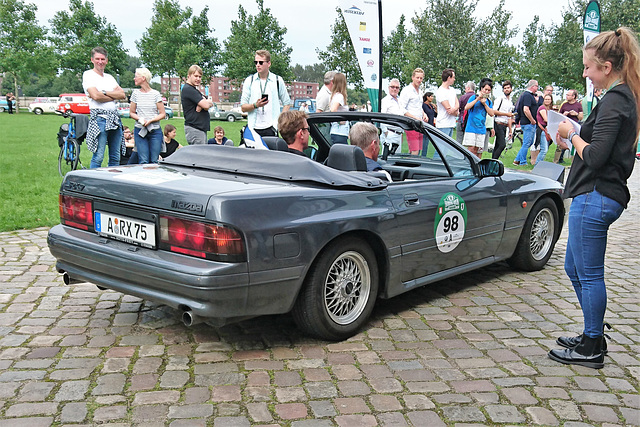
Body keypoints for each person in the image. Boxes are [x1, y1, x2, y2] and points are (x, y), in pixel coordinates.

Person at [548, 27, 640, 370]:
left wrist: (572, 134)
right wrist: (577, 131)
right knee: (574, 267)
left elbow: (597, 156)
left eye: (588, 67)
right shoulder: (619, 97)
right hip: (594, 194)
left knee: (589, 274)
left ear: (606, 67)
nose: (584, 73)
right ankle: (592, 333)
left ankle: (591, 346)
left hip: (597, 195)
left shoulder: (617, 99)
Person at [82, 46, 126, 168]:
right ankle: (94, 182)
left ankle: (112, 181)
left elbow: (122, 94)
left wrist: (105, 93)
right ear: (92, 60)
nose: (100, 62)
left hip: (114, 119)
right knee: (99, 155)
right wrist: (113, 95)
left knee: (115, 156)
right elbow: (95, 96)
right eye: (97, 59)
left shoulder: (109, 78)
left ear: (106, 61)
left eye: (102, 59)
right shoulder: (88, 75)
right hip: (100, 119)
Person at [240, 49, 291, 137]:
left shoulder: (277, 80)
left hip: (271, 128)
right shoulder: (249, 81)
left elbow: (287, 103)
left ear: (269, 64)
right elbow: (243, 107)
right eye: (255, 62)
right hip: (253, 128)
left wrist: (280, 121)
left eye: (261, 62)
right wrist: (255, 105)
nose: (258, 65)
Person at [129, 68, 165, 164]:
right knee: (143, 160)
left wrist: (151, 120)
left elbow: (162, 113)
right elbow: (132, 112)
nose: (134, 78)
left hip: (154, 130)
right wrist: (140, 119)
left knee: (154, 160)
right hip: (140, 130)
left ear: (143, 78)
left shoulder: (155, 94)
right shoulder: (135, 94)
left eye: (136, 76)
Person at [462, 78, 494, 159]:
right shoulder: (473, 97)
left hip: (481, 129)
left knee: (478, 150)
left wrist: (485, 104)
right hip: (471, 128)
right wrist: (478, 99)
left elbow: (491, 113)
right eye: (485, 89)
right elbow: (466, 107)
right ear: (481, 88)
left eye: (489, 90)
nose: (487, 92)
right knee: (471, 149)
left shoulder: (489, 102)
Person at [400, 68, 429, 155]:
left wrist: (424, 114)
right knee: (415, 150)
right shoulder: (407, 90)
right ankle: (412, 167)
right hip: (411, 123)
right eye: (417, 78)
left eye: (421, 78)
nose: (419, 80)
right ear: (413, 77)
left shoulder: (419, 91)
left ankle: (410, 166)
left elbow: (419, 106)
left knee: (417, 149)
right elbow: (402, 109)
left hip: (419, 124)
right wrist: (415, 118)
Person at [181, 65, 212, 145]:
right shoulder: (188, 89)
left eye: (200, 77)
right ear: (189, 76)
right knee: (200, 156)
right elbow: (206, 105)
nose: (198, 79)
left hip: (199, 129)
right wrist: (203, 104)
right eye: (196, 76)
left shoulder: (194, 90)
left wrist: (202, 104)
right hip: (195, 129)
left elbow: (210, 103)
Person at [513, 79, 540, 166]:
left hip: (526, 122)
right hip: (528, 123)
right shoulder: (527, 95)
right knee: (527, 143)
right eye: (536, 86)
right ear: (533, 86)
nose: (537, 88)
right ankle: (523, 162)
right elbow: (526, 109)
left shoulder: (527, 95)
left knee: (529, 142)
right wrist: (532, 120)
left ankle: (517, 159)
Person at [555, 89, 584, 163]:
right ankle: (556, 161)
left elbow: (581, 117)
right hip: (564, 126)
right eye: (566, 95)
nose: (566, 96)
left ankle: (573, 162)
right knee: (560, 144)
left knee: (573, 145)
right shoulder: (564, 104)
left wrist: (576, 114)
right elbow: (558, 115)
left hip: (574, 127)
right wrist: (564, 114)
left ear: (573, 96)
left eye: (568, 95)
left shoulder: (578, 105)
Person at [492, 80, 515, 160]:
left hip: (504, 125)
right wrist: (506, 114)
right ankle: (494, 161)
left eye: (508, 88)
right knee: (502, 145)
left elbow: (509, 117)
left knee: (498, 145)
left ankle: (493, 162)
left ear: (511, 89)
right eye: (505, 88)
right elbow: (494, 111)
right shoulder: (500, 99)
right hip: (498, 123)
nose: (506, 90)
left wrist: (510, 130)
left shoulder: (510, 102)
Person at [435, 68, 459, 138]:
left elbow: (457, 104)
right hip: (443, 125)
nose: (454, 79)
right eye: (453, 77)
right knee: (441, 148)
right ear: (449, 78)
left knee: (448, 148)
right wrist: (456, 112)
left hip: (451, 124)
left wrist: (454, 110)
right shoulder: (441, 91)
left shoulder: (452, 90)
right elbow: (448, 109)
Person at [532, 93, 554, 164]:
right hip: (542, 130)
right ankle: (537, 165)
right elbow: (546, 119)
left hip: (547, 131)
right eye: (546, 99)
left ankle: (539, 164)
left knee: (544, 149)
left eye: (549, 99)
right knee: (544, 150)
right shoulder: (542, 108)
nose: (547, 101)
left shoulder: (549, 109)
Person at [329, 72, 350, 144]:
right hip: (340, 132)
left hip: (335, 131)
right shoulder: (339, 96)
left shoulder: (334, 96)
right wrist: (340, 121)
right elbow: (333, 110)